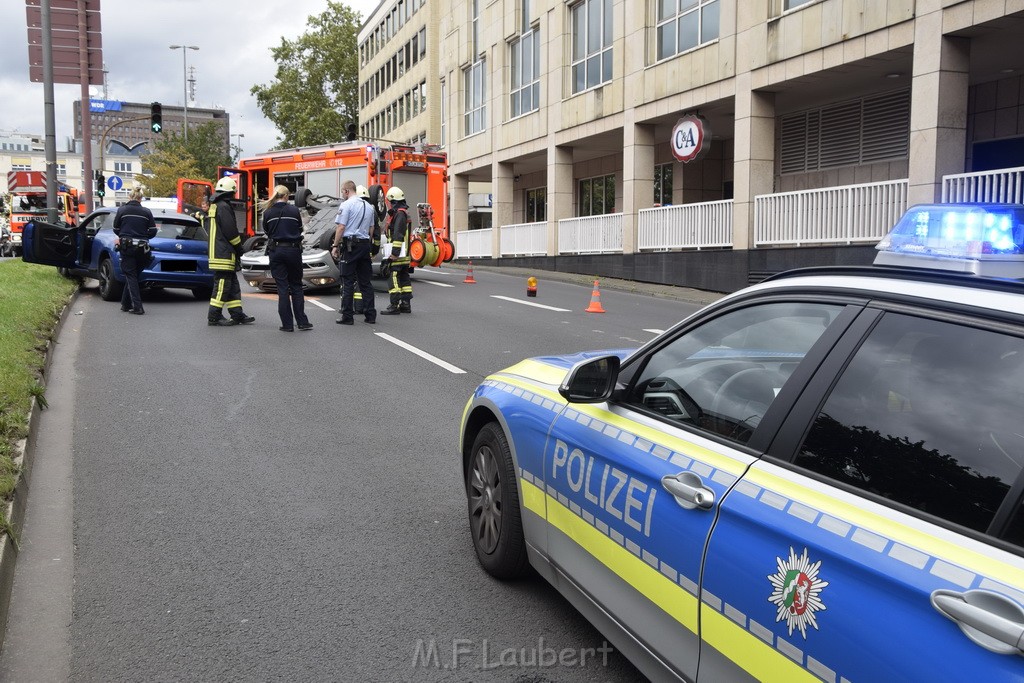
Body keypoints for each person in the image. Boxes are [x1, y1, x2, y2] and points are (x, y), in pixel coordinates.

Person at [206, 177, 256, 326]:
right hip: (223, 254)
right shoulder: (223, 206)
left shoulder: (215, 205)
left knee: (232, 285)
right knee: (222, 286)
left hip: (220, 252)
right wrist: (239, 248)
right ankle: (214, 316)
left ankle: (237, 314)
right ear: (230, 192)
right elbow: (231, 232)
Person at [262, 185, 312, 332]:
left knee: (282, 288)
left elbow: (267, 231)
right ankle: (302, 322)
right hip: (293, 250)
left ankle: (287, 325)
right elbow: (300, 229)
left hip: (276, 251)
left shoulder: (268, 213)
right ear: (286, 196)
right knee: (296, 286)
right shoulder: (294, 211)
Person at [331, 181, 377, 325]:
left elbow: (341, 227)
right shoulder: (369, 207)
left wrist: (335, 245)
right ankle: (370, 316)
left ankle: (347, 316)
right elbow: (371, 229)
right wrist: (366, 244)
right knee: (365, 282)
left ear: (346, 191)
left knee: (347, 281)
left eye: (342, 192)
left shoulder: (346, 205)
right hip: (364, 246)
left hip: (351, 246)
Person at [112, 186, 157, 315]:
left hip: (128, 248)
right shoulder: (146, 212)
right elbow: (153, 230)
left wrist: (123, 235)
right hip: (143, 249)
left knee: (131, 275)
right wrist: (144, 236)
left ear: (130, 196)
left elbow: (115, 228)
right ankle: (125, 304)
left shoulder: (122, 210)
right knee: (133, 275)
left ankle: (137, 307)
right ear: (140, 198)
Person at [381, 186, 412, 315]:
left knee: (392, 276)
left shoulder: (399, 214)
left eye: (389, 202)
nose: (388, 204)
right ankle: (405, 304)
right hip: (404, 254)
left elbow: (398, 235)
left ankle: (394, 305)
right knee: (404, 278)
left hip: (398, 254)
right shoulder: (403, 212)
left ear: (393, 201)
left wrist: (394, 253)